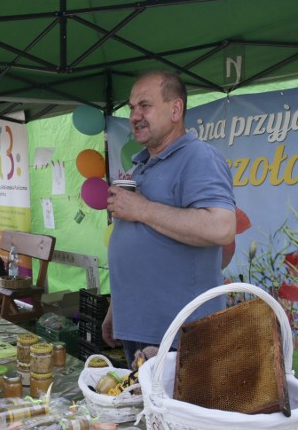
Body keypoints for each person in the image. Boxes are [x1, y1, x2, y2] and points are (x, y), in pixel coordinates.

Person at [101, 70, 236, 367]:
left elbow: (222, 227)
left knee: (176, 415)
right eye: (131, 107)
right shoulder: (143, 165)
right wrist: (117, 307)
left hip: (181, 334)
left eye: (145, 106)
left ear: (176, 109)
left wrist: (143, 209)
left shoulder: (199, 157)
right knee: (144, 413)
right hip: (141, 327)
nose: (135, 115)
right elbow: (141, 248)